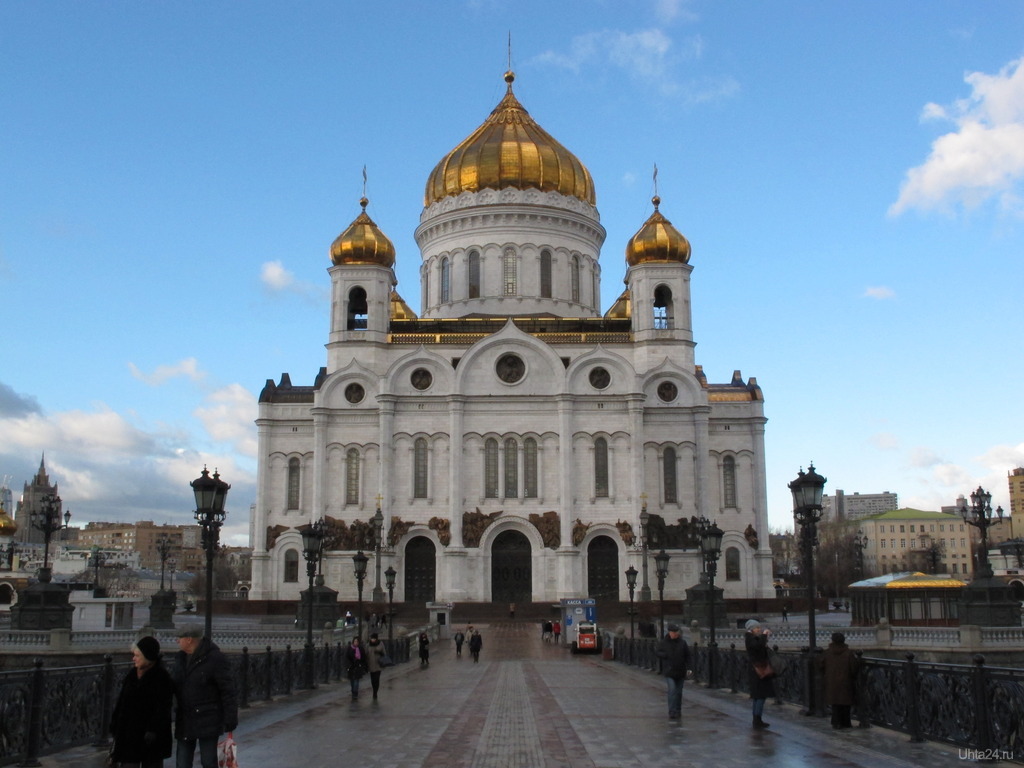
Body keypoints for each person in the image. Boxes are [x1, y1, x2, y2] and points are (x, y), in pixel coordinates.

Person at [171, 624, 238, 768]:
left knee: (208, 762)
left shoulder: (214, 658)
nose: (177, 641)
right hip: (185, 718)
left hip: (208, 720)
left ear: (189, 639)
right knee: (182, 763)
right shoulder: (180, 659)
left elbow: (227, 690)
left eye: (179, 638)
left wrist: (230, 718)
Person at [110, 636, 174, 768]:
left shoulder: (161, 677)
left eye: (137, 655)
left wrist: (153, 729)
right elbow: (122, 702)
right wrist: (115, 724)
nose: (134, 658)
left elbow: (163, 708)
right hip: (129, 735)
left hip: (150, 737)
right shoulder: (132, 675)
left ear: (148, 657)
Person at [821, 631, 859, 729]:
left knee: (835, 703)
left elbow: (820, 666)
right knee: (845, 703)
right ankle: (846, 722)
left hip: (831, 682)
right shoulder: (849, 653)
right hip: (846, 682)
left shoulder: (827, 653)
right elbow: (854, 668)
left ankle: (836, 722)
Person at [654, 623, 690, 720]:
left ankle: (678, 710)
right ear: (669, 632)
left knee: (678, 692)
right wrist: (664, 655)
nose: (675, 634)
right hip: (669, 671)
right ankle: (672, 711)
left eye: (676, 632)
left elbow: (688, 656)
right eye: (673, 632)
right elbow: (657, 652)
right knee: (672, 690)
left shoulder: (682, 643)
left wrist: (689, 668)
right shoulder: (664, 643)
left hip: (681, 671)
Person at [744, 619, 775, 729]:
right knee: (760, 696)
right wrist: (764, 635)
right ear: (751, 629)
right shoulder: (750, 638)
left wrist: (764, 638)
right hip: (758, 670)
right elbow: (757, 646)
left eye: (759, 628)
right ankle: (757, 720)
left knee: (758, 696)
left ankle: (757, 719)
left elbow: (759, 646)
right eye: (757, 628)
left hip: (757, 670)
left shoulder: (751, 638)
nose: (759, 629)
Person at [365, 633, 386, 701]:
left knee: (377, 679)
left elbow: (384, 653)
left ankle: (375, 692)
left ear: (376, 639)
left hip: (378, 664)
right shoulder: (368, 645)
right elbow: (366, 654)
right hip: (371, 664)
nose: (373, 640)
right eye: (372, 638)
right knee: (373, 679)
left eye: (374, 638)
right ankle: (374, 689)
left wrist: (379, 652)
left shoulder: (380, 644)